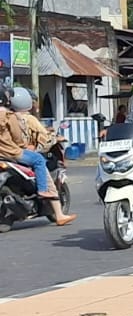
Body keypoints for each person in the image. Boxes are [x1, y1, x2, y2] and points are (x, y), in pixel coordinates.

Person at [0, 89, 72, 225]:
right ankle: (44, 191)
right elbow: (19, 138)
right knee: (39, 160)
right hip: (13, 152)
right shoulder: (12, 116)